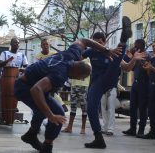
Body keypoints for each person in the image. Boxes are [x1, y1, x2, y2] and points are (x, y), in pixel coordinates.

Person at [14, 16, 132, 153]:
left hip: (32, 83)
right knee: (54, 112)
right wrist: (51, 116)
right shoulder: (60, 74)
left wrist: (106, 51)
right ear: (76, 73)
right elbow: (36, 90)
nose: (79, 80)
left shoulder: (72, 53)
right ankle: (46, 145)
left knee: (46, 107)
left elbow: (84, 40)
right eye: (80, 78)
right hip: (24, 87)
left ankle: (32, 135)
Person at [122, 39, 150, 137]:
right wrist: (132, 58)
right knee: (133, 107)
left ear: (140, 46)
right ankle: (132, 128)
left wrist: (138, 59)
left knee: (142, 108)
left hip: (144, 84)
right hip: (135, 84)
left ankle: (141, 129)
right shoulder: (135, 56)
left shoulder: (146, 56)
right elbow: (129, 68)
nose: (134, 47)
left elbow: (146, 69)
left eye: (135, 46)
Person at [61, 58, 90, 135]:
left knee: (84, 107)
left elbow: (89, 73)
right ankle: (69, 127)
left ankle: (83, 128)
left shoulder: (88, 61)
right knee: (73, 106)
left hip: (83, 86)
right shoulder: (74, 61)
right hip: (74, 85)